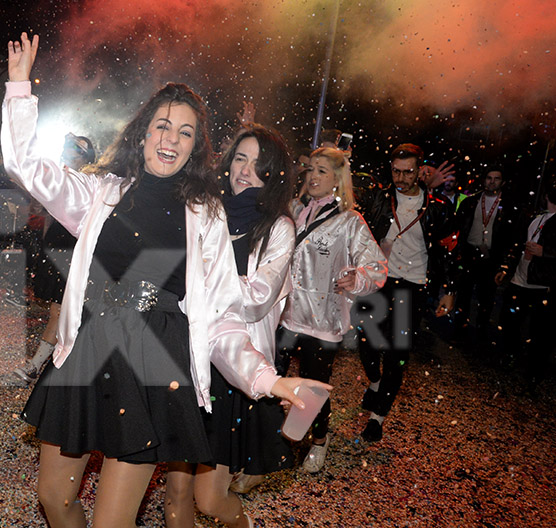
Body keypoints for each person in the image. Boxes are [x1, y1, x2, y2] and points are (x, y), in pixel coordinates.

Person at [3, 32, 328, 528]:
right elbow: (24, 165)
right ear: (143, 133)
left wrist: (271, 380)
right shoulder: (100, 194)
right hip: (89, 350)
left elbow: (221, 317)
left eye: (184, 132)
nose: (170, 139)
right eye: (162, 126)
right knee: (54, 499)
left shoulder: (206, 215)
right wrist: (20, 89)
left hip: (156, 365)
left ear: (196, 146)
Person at [164, 125, 300, 527]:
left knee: (208, 499)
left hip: (233, 368)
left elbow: (258, 296)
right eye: (240, 158)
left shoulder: (278, 227)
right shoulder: (207, 211)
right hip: (188, 356)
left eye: (259, 164)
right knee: (175, 494)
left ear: (274, 175)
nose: (245, 170)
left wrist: (202, 275)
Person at [277, 147, 387, 472]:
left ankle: (318, 440)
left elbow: (377, 266)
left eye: (322, 171)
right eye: (310, 168)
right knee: (273, 379)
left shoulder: (349, 221)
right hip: (284, 315)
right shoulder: (294, 209)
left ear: (337, 179)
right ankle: (275, 440)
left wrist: (359, 278)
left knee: (314, 387)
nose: (313, 176)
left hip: (322, 322)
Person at [358, 143, 455, 442]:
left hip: (411, 286)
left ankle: (378, 418)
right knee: (367, 344)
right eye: (396, 171)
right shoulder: (378, 198)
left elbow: (449, 251)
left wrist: (449, 289)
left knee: (398, 353)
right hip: (377, 280)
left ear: (420, 171)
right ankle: (374, 381)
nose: (400, 178)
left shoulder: (437, 207)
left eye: (408, 172)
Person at [11, 133, 97, 384]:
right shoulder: (59, 177)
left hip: (75, 253)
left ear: (85, 157)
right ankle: (63, 366)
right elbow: (46, 216)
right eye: (65, 145)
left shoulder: (90, 182)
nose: (66, 150)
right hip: (56, 249)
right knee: (63, 311)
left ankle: (35, 367)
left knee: (60, 311)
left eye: (73, 148)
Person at [494, 182, 556, 386]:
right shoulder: (535, 217)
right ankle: (509, 355)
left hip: (542, 285)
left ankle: (534, 371)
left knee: (541, 331)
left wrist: (544, 252)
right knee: (510, 321)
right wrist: (505, 268)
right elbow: (517, 243)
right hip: (519, 279)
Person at [452, 166, 517, 347]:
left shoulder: (508, 207)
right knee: (463, 294)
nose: (492, 181)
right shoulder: (471, 202)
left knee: (486, 298)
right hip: (469, 253)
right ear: (484, 180)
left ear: (502, 182)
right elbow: (459, 228)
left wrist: (505, 264)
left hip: (491, 257)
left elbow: (512, 237)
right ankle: (459, 329)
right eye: (489, 178)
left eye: (496, 178)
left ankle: (480, 333)